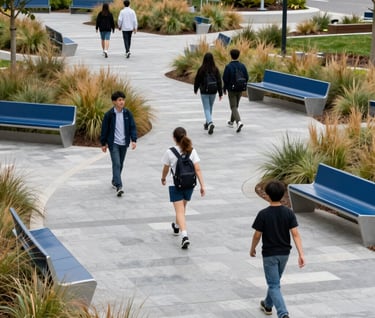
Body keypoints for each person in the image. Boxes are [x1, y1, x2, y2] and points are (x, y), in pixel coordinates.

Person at [249, 180, 305, 318]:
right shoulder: (288, 213)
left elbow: (257, 235)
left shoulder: (263, 214)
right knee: (275, 281)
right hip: (284, 254)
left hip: (269, 255)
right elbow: (295, 234)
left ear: (267, 195)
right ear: (282, 195)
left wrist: (252, 248)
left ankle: (283, 313)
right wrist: (301, 254)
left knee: (274, 284)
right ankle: (267, 305)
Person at [161, 127, 205, 249]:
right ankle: (176, 226)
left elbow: (165, 168)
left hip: (175, 184)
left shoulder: (170, 152)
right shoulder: (192, 151)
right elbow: (197, 169)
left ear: (174, 138)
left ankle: (184, 235)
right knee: (182, 208)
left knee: (179, 210)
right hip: (189, 184)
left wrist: (163, 178)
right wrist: (202, 185)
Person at [100, 91, 137, 197]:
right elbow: (104, 130)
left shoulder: (127, 113)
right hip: (114, 143)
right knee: (116, 164)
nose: (122, 102)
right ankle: (119, 186)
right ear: (114, 102)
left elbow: (132, 127)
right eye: (119, 100)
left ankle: (114, 180)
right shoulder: (109, 115)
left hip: (123, 143)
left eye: (123, 100)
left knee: (120, 164)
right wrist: (103, 143)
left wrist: (133, 140)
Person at [194, 52, 223, 135]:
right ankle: (207, 124)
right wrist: (220, 93)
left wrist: (195, 89)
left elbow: (197, 80)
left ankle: (210, 123)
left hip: (204, 91)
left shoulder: (201, 69)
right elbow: (219, 81)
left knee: (206, 108)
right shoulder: (215, 69)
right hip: (213, 91)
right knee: (210, 107)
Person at [222, 48, 249, 133]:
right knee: (235, 106)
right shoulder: (242, 66)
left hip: (232, 89)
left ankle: (239, 121)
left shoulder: (229, 66)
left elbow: (225, 78)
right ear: (238, 55)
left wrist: (224, 88)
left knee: (233, 106)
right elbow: (247, 77)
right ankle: (231, 122)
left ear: (231, 56)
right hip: (240, 88)